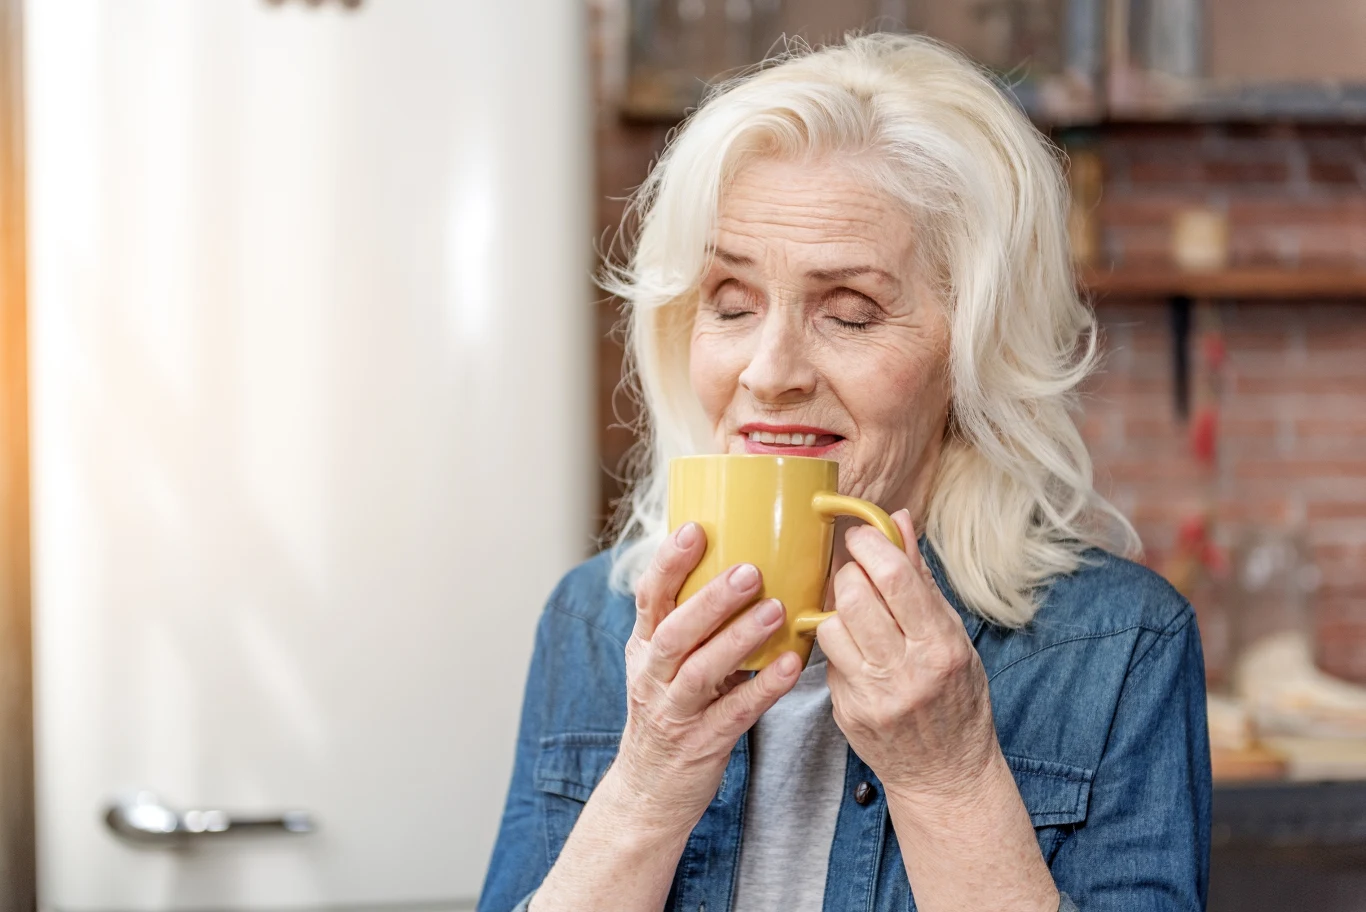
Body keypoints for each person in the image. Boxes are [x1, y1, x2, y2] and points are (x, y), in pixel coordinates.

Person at [478, 33, 1210, 912]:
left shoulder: (1120, 648)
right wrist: (646, 786)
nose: (768, 370)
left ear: (971, 358)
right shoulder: (593, 625)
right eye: (732, 303)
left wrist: (952, 781)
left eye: (851, 314)